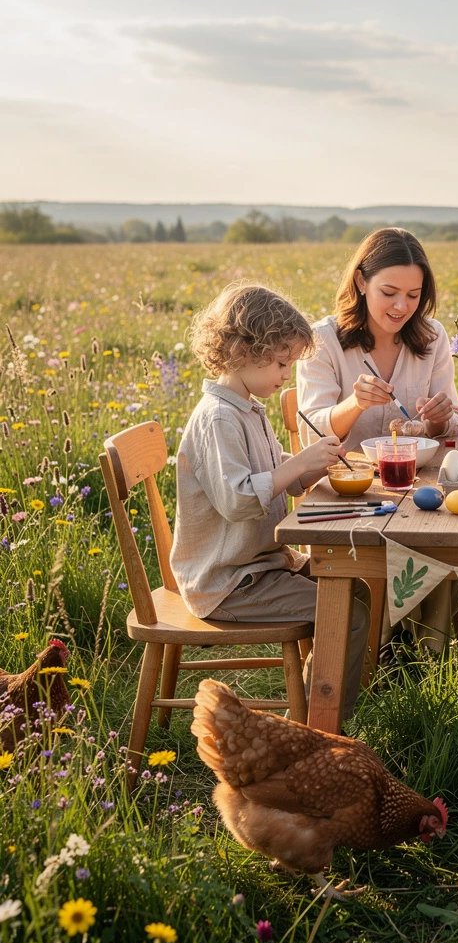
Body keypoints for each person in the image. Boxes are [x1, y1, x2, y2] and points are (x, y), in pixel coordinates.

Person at [170, 282, 371, 720]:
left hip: (260, 564)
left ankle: (321, 702)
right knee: (349, 613)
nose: (285, 375)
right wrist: (298, 462)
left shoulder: (246, 408)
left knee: (359, 590)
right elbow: (240, 498)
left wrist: (317, 464)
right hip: (227, 581)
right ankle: (319, 725)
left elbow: (278, 473)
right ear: (242, 350)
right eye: (281, 363)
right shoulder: (219, 417)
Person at [296, 228, 458, 653]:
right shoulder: (323, 341)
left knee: (451, 543)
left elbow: (454, 425)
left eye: (413, 294)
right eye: (389, 292)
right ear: (360, 282)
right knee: (425, 542)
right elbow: (311, 430)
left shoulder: (432, 338)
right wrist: (354, 403)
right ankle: (384, 650)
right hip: (347, 493)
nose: (402, 306)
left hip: (417, 487)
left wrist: (442, 421)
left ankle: (422, 659)